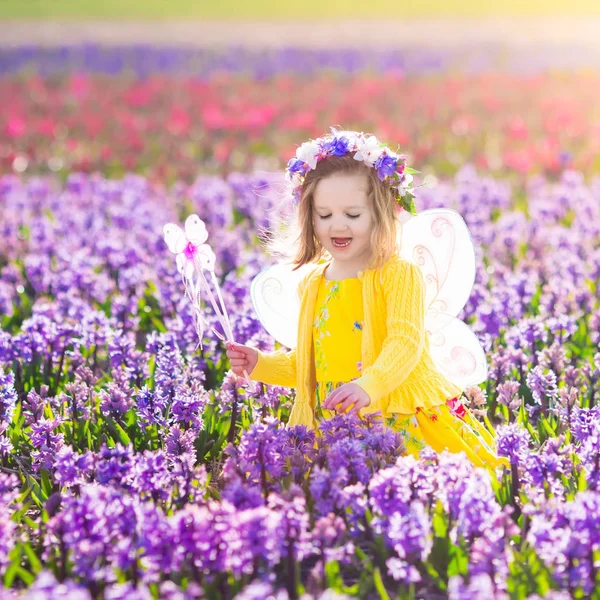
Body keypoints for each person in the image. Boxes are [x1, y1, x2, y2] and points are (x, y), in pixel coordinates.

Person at [227, 129, 507, 470]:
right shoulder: (313, 283)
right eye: (324, 215)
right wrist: (261, 364)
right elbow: (311, 363)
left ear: (381, 212)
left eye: (352, 215)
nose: (337, 226)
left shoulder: (397, 273)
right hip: (336, 419)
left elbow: (405, 342)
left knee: (424, 486)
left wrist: (369, 385)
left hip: (393, 411)